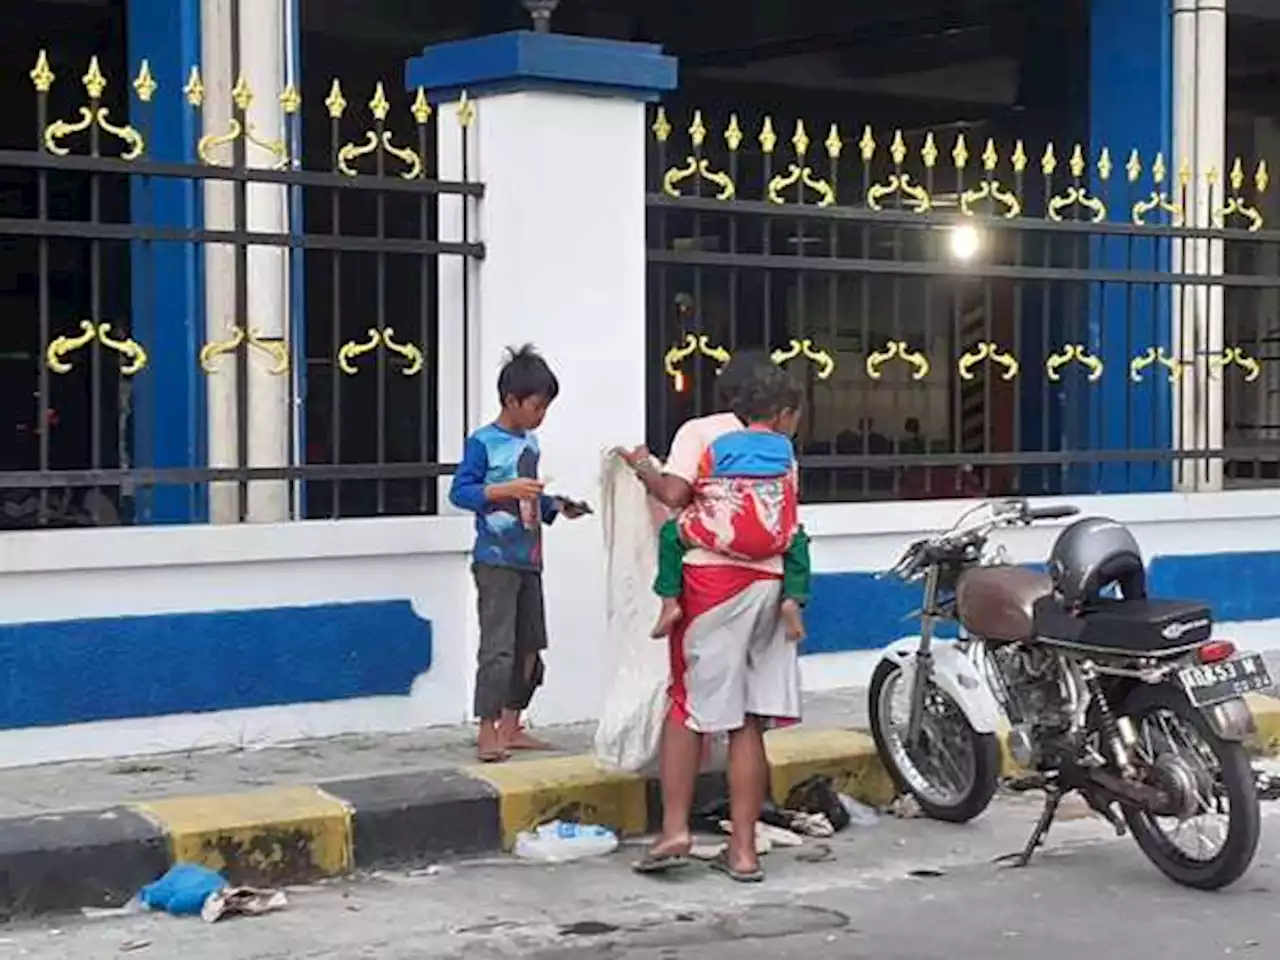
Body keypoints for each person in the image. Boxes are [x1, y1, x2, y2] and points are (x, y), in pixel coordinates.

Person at [623, 352, 807, 883]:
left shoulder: (699, 432)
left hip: (710, 583)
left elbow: (676, 495)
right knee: (748, 719)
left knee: (687, 704)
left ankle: (676, 829)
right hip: (770, 583)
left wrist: (642, 468)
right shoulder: (781, 447)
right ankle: (744, 851)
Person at [449, 344, 589, 763]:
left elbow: (531, 499)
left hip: (529, 556)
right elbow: (460, 492)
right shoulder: (483, 443)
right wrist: (502, 491)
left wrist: (557, 506)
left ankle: (513, 723)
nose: (541, 415)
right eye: (536, 406)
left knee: (531, 644)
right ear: (511, 401)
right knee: (498, 646)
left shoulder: (531, 443)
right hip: (495, 559)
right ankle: (487, 730)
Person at [648, 380, 810, 642]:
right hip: (772, 542)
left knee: (670, 535)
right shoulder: (785, 448)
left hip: (721, 536)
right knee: (798, 541)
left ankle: (668, 601)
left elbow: (691, 488)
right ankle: (794, 599)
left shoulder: (719, 442)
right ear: (783, 415)